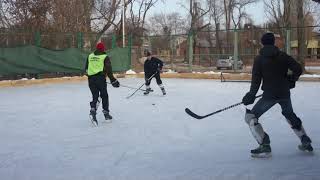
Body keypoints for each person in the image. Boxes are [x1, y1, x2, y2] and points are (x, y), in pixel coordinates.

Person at [242, 32, 313, 158]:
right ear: (273, 42)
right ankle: (305, 140)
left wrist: (251, 95)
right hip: (284, 93)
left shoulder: (259, 59)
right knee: (289, 115)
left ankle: (264, 145)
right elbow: (298, 69)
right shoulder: (283, 56)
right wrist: (291, 80)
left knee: (250, 117)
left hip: (269, 95)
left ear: (262, 43)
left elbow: (256, 80)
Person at [85, 42, 120, 125]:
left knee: (95, 96)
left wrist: (91, 75)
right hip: (100, 79)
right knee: (104, 95)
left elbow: (86, 69)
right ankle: (106, 114)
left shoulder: (90, 56)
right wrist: (113, 80)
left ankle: (93, 111)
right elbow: (108, 70)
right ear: (103, 49)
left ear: (96, 48)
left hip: (91, 80)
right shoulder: (105, 57)